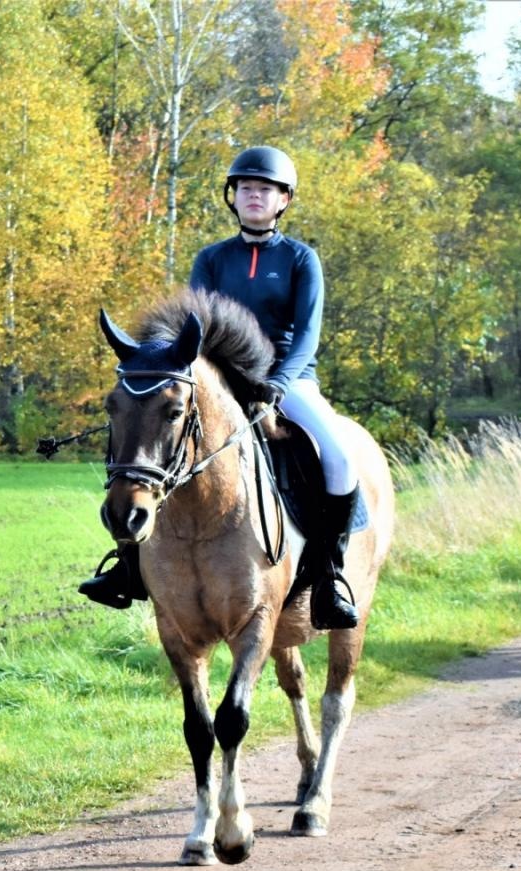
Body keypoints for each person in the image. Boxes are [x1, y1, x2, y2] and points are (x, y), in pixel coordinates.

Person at [81, 146, 361, 630]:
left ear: (283, 200)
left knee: (338, 458)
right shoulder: (212, 258)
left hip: (284, 381)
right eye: (247, 188)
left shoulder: (300, 258)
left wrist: (276, 383)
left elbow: (308, 335)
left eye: (266, 190)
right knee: (148, 452)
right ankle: (127, 569)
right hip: (216, 383)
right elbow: (189, 330)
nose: (255, 196)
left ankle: (329, 576)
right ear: (234, 198)